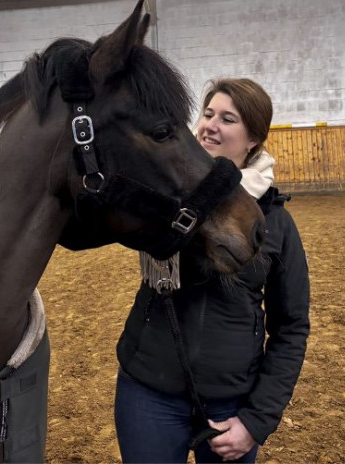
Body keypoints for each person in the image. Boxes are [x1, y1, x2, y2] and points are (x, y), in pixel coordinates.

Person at [114, 78, 310, 463]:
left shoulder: (275, 222)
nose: (210, 126)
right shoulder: (163, 195)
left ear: (253, 139)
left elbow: (291, 326)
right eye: (207, 115)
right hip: (149, 393)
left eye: (227, 119)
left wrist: (256, 421)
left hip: (231, 404)